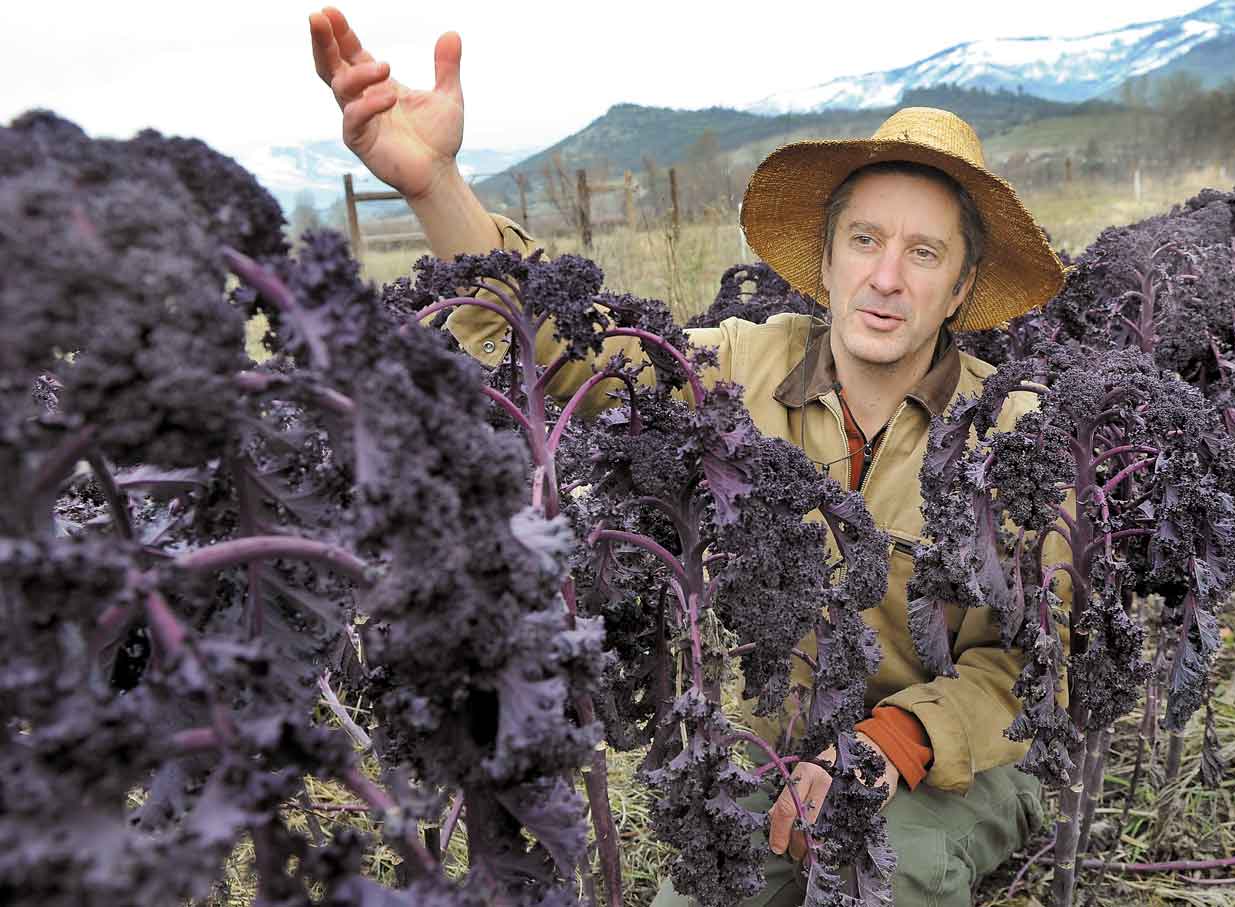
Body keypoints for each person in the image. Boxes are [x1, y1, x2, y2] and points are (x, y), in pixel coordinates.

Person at [309, 7, 1072, 904]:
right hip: (775, 748)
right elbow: (564, 350)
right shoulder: (744, 366)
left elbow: (1029, 670)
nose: (887, 276)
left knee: (880, 869)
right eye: (866, 239)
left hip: (954, 762)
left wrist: (886, 745)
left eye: (925, 252)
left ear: (964, 288)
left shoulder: (1013, 431)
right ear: (825, 259)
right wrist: (435, 183)